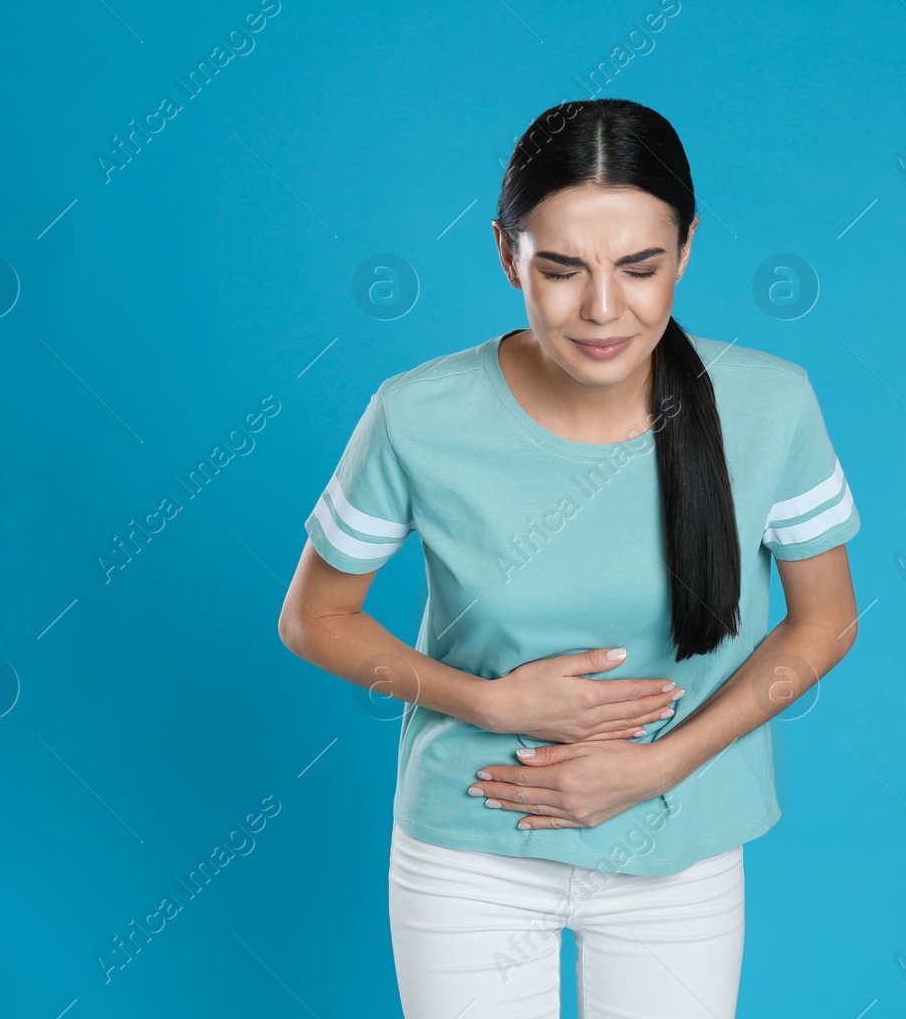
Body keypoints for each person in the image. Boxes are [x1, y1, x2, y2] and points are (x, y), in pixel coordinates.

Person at [277, 97, 861, 1019]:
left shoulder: (772, 406)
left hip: (678, 843)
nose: (602, 309)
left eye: (640, 267)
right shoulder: (416, 415)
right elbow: (313, 617)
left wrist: (662, 765)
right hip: (469, 848)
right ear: (505, 252)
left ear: (687, 249)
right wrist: (490, 702)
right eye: (559, 268)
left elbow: (827, 620)